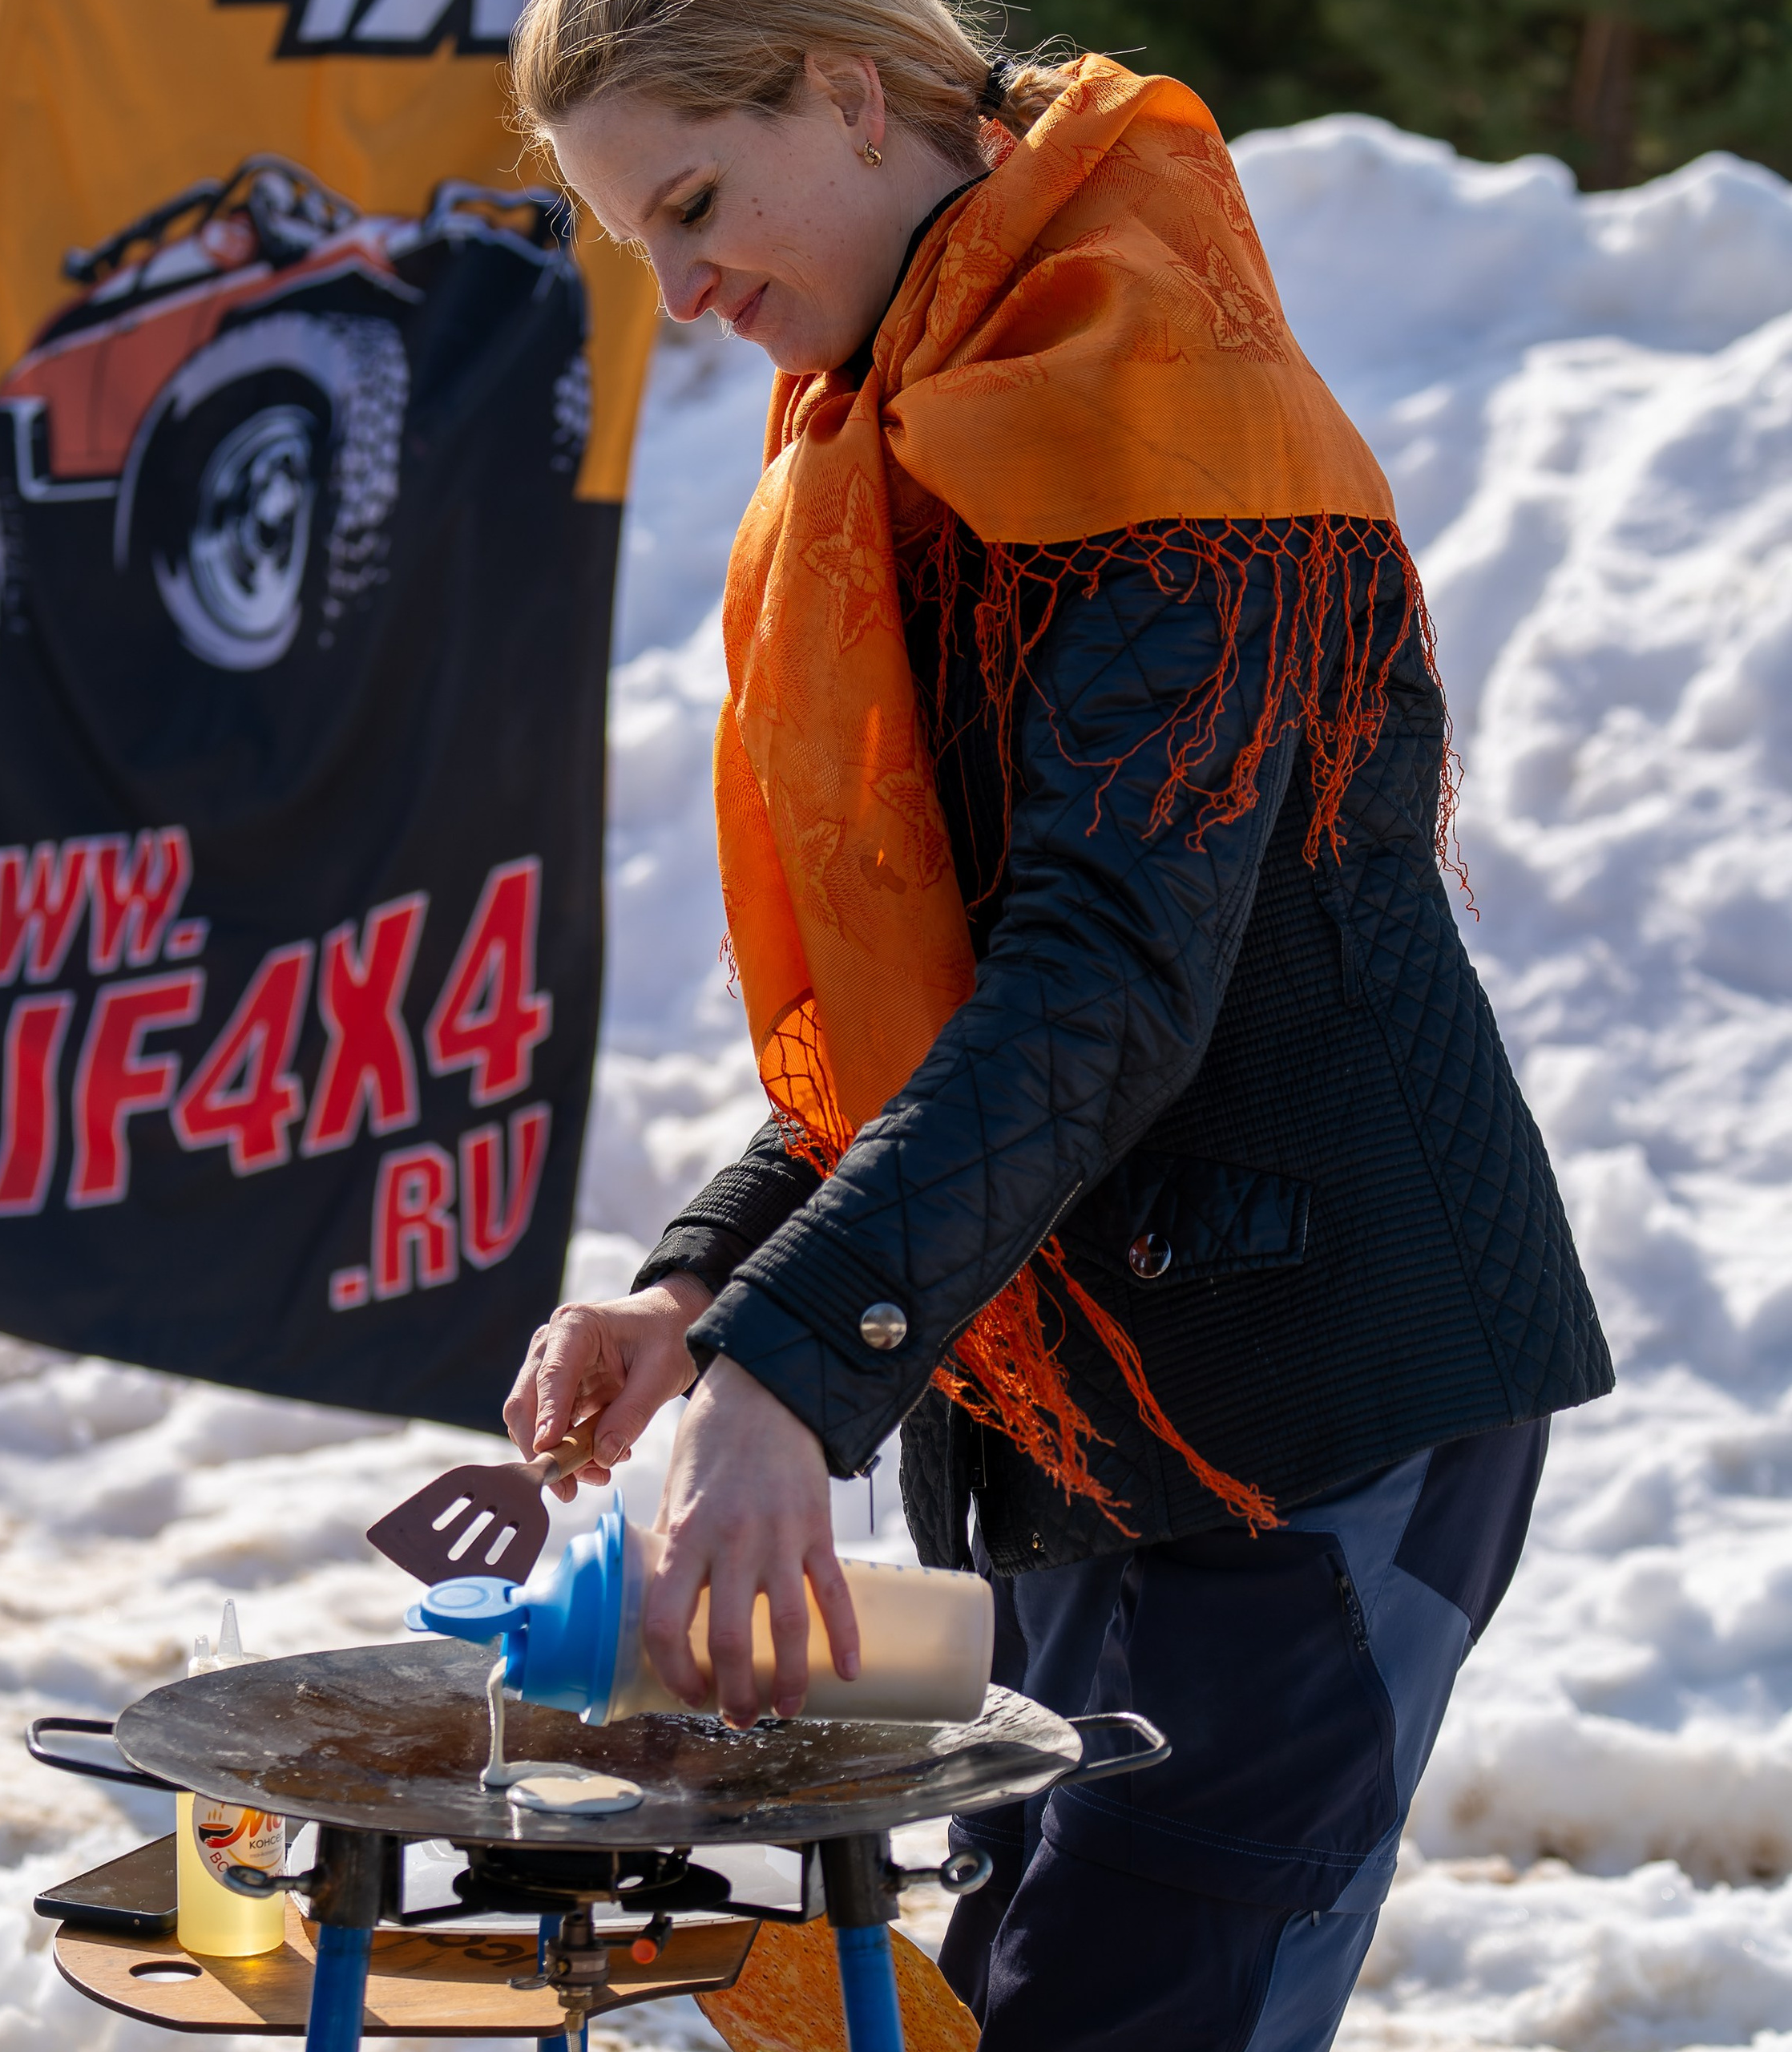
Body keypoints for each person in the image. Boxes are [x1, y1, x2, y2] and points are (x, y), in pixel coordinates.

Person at [498, 3, 1613, 2044]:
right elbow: (929, 1008)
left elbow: (1097, 980)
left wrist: (787, 1369)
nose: (683, 290)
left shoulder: (1150, 402)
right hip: (1073, 1396)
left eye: (695, 202)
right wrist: (697, 1291)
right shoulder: (908, 413)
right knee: (1010, 1987)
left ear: (847, 96)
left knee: (1122, 2003)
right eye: (635, 240)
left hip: (1305, 1393)